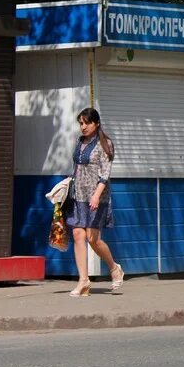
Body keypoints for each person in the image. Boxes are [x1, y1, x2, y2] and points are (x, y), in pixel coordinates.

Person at [66, 107, 124, 296]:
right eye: (81, 123)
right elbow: (76, 169)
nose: (83, 127)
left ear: (96, 123)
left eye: (87, 123)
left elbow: (105, 173)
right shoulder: (80, 142)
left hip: (96, 197)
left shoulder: (105, 144)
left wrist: (97, 195)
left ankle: (114, 268)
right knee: (77, 234)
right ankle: (83, 281)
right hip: (78, 196)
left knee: (93, 238)